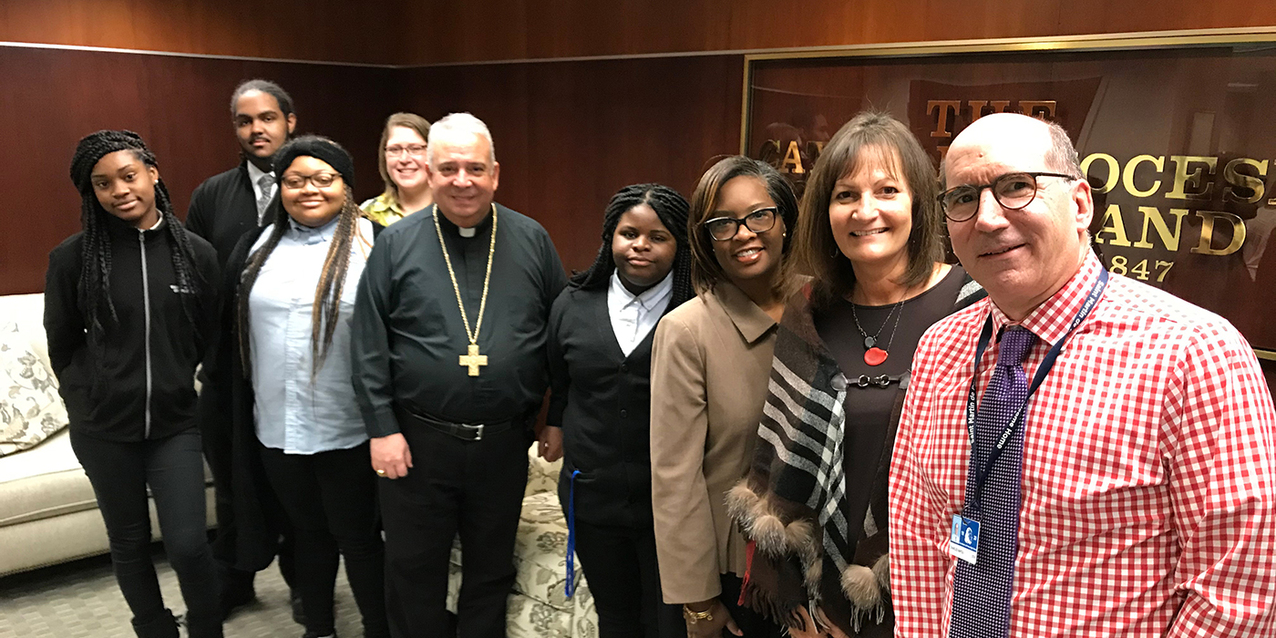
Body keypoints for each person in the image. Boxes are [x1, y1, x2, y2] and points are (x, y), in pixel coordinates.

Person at [890, 112, 1276, 637]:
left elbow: (1240, 587)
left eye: (1015, 187)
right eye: (962, 198)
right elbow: (919, 535)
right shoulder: (940, 347)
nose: (986, 218)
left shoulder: (1195, 354)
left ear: (1079, 204)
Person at [728, 112, 984, 637]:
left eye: (887, 190)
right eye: (846, 195)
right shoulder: (808, 309)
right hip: (818, 595)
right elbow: (783, 468)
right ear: (826, 211)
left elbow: (993, 468)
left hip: (938, 585)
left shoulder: (973, 304)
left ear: (918, 201)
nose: (865, 211)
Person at [351, 112, 568, 637]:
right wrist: (381, 429)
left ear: (496, 172)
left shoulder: (532, 239)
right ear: (429, 171)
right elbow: (367, 344)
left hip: (503, 442)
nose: (462, 181)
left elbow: (566, 337)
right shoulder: (397, 243)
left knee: (490, 568)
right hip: (417, 443)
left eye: (475, 168)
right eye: (449, 168)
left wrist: (556, 417)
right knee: (412, 568)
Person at [45, 130, 222, 638]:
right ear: (92, 193)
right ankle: (155, 629)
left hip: (175, 426)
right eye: (103, 184)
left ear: (152, 173)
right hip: (104, 430)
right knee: (128, 542)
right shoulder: (72, 258)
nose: (120, 190)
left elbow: (209, 337)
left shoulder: (197, 255)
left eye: (128, 176)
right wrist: (85, 399)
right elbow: (62, 344)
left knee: (189, 544)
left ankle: (208, 629)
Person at [221, 136, 388, 638]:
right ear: (281, 188)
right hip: (277, 425)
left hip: (351, 425)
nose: (308, 190)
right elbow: (230, 338)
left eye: (323, 179)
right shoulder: (255, 246)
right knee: (305, 535)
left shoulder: (375, 243)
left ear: (347, 186)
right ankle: (319, 629)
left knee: (358, 538)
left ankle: (381, 630)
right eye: (294, 181)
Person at [649, 156, 797, 638]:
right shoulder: (686, 330)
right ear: (705, 239)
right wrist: (698, 602)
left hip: (822, 568)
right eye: (723, 224)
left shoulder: (827, 310)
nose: (744, 232)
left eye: (759, 215)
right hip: (738, 577)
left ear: (785, 220)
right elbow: (674, 478)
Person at [542, 184, 694, 638]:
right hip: (592, 498)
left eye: (658, 236)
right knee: (616, 617)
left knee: (666, 621)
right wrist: (553, 424)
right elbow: (560, 382)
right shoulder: (572, 304)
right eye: (629, 233)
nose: (641, 246)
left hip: (667, 506)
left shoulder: (696, 307)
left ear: (679, 245)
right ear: (610, 237)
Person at [186, 78, 302, 619]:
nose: (257, 129)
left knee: (296, 482)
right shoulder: (211, 195)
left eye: (268, 118)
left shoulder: (315, 187)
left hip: (297, 370)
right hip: (228, 370)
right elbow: (191, 281)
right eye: (245, 121)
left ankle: (306, 583)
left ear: (289, 122)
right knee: (231, 479)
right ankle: (234, 579)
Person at [360, 112, 433, 225]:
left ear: (433, 153)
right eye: (395, 149)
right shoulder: (368, 214)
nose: (404, 159)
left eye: (415, 149)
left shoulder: (452, 209)